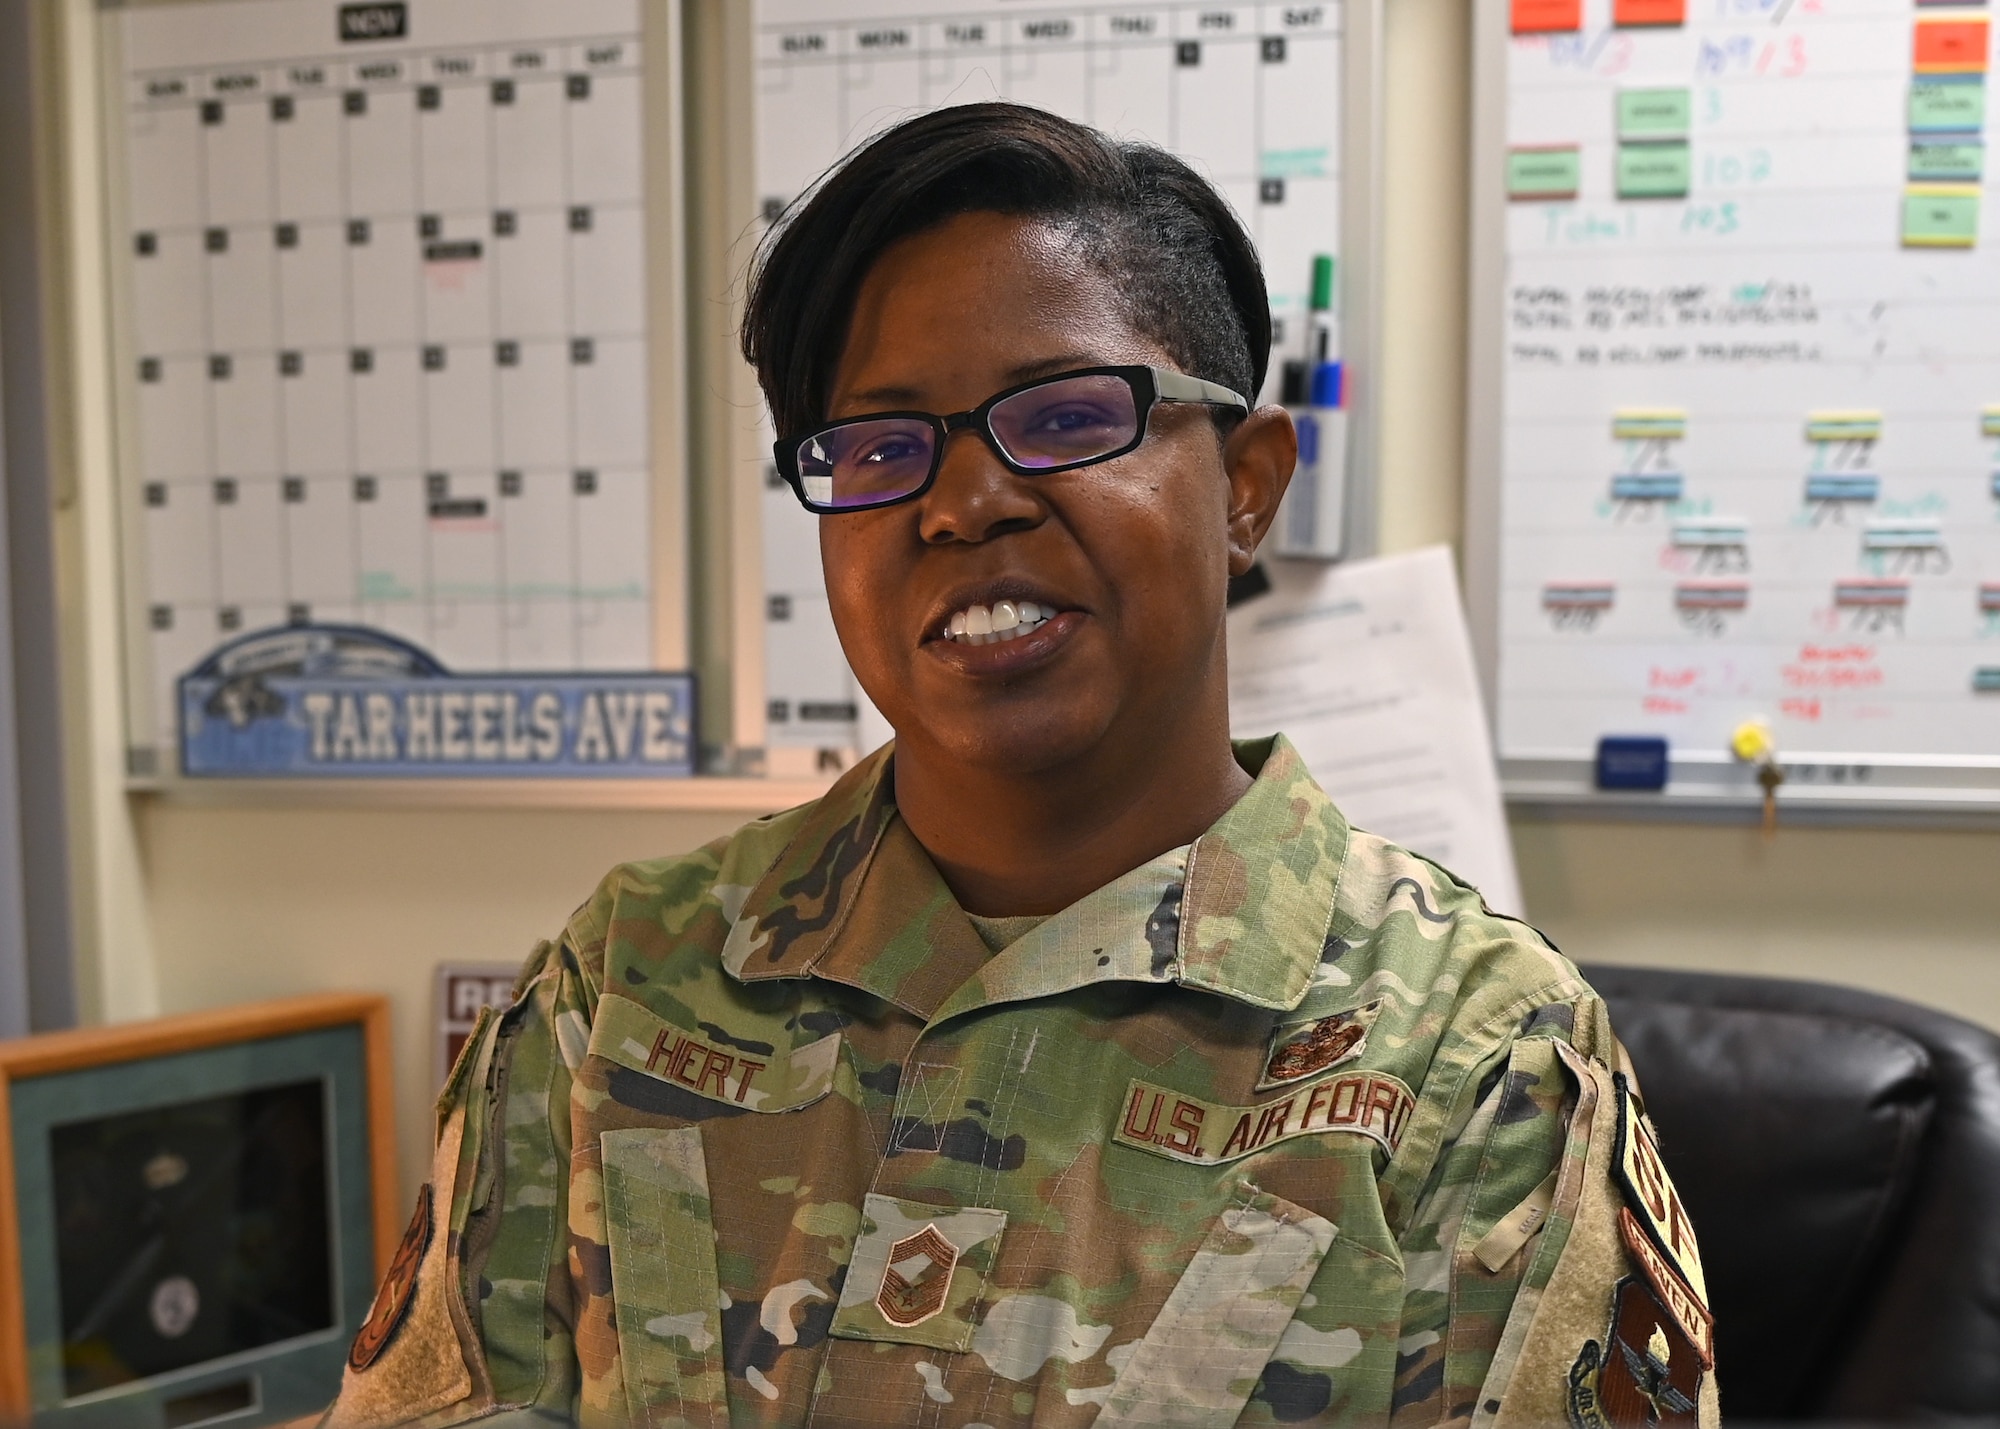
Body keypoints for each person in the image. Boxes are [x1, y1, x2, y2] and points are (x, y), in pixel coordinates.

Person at [322, 103, 1716, 1429]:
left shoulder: (1476, 1059)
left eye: (1061, 418)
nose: (963, 501)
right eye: (877, 445)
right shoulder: (629, 982)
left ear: (1247, 486)